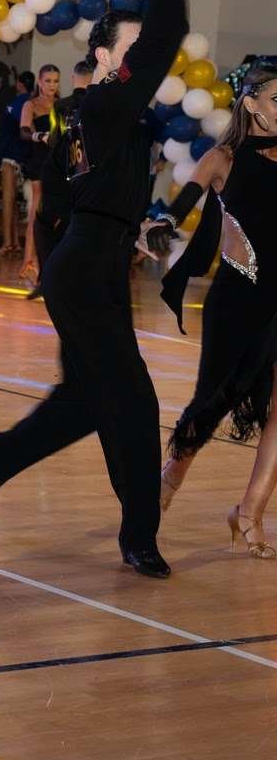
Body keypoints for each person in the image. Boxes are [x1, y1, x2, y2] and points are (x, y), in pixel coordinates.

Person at [0, 0, 192, 580]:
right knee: (135, 404)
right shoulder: (107, 102)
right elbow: (166, 40)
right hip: (87, 268)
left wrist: (129, 229)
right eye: (133, 46)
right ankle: (139, 538)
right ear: (105, 57)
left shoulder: (97, 115)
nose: (144, 55)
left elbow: (60, 201)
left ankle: (0, 456)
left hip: (89, 263)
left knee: (89, 397)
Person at [152, 62, 277, 559]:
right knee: (211, 403)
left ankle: (249, 511)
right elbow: (181, 204)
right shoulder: (223, 158)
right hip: (237, 299)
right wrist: (161, 224)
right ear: (251, 103)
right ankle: (166, 483)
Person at [25, 62, 91, 300]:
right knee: (71, 224)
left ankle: (48, 278)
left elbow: (55, 141)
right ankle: (66, 280)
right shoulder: (97, 104)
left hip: (59, 172)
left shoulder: (62, 106)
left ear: (73, 78)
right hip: (84, 175)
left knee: (44, 222)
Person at [18, 64, 63, 285]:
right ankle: (28, 262)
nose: (52, 85)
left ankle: (49, 262)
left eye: (56, 81)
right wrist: (40, 136)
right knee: (36, 212)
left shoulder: (62, 105)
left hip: (59, 164)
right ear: (39, 82)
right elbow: (24, 131)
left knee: (58, 215)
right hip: (39, 162)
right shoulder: (31, 104)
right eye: (48, 81)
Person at [0, 71, 35, 256]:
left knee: (8, 200)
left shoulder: (20, 103)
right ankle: (15, 243)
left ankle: (7, 243)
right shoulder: (33, 102)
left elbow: (25, 127)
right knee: (14, 203)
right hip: (27, 157)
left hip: (11, 157)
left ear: (19, 84)